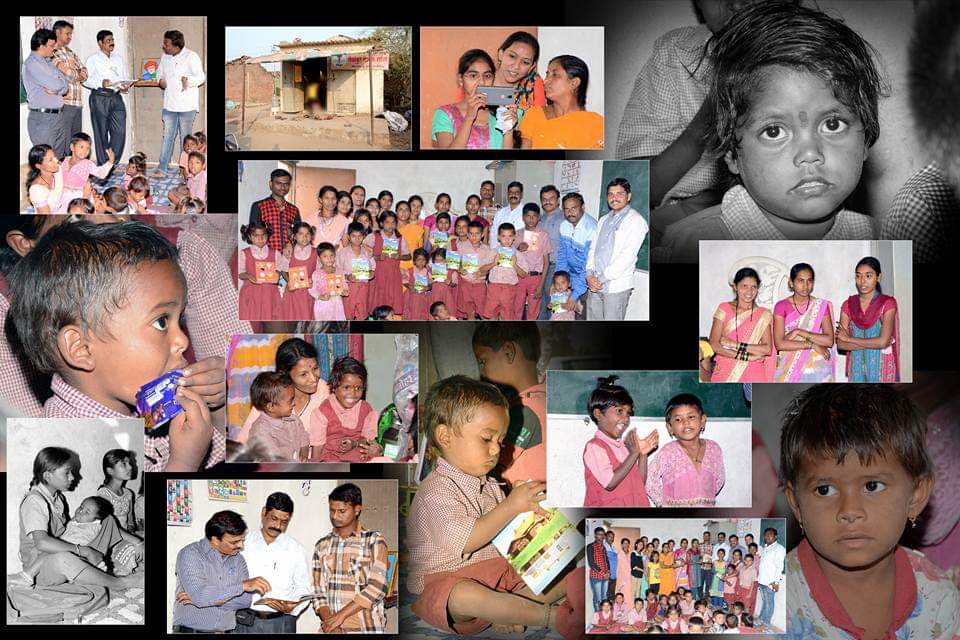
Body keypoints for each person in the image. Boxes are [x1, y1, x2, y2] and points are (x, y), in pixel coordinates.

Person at [654, 3, 880, 263]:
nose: (810, 154)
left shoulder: (879, 242)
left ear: (866, 139)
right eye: (773, 131)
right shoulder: (692, 248)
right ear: (731, 154)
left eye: (832, 124)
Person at [6, 221, 221, 473]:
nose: (183, 340)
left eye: (179, 319)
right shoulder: (64, 450)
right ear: (81, 349)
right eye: (162, 321)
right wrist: (183, 463)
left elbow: (225, 449)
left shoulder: (152, 405)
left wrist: (216, 405)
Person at [407, 376, 582, 638]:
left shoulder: (490, 484)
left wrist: (530, 510)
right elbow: (467, 540)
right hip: (447, 579)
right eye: (486, 439)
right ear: (444, 436)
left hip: (499, 576)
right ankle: (549, 616)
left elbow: (507, 535)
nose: (496, 450)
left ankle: (510, 609)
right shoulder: (435, 491)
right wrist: (511, 506)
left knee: (557, 569)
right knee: (463, 596)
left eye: (500, 441)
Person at [782, 385, 960, 637]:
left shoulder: (939, 597)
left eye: (872, 486)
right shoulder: (770, 600)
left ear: (917, 494)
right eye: (824, 490)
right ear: (796, 503)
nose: (850, 511)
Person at [17, 447, 142, 591]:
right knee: (63, 558)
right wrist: (83, 550)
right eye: (66, 473)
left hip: (68, 549)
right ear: (48, 476)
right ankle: (120, 583)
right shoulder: (34, 500)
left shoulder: (58, 498)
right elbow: (42, 543)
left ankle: (89, 572)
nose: (72, 477)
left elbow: (71, 532)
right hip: (40, 565)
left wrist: (137, 541)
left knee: (106, 519)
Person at [172, 511, 272, 633]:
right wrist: (242, 586)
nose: (241, 546)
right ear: (215, 540)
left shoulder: (238, 560)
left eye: (242, 540)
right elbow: (200, 596)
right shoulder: (190, 554)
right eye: (234, 542)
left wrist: (208, 599)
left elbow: (244, 601)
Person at [472, 323, 546, 487]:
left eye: (483, 361)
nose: (482, 372)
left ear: (508, 352)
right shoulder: (542, 399)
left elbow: (489, 465)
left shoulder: (523, 412)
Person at [311, 483, 389, 633]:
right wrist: (332, 625)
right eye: (332, 510)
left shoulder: (373, 541)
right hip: (331, 629)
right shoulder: (321, 545)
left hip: (366, 627)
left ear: (357, 509)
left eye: (341, 511)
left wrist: (340, 616)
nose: (335, 516)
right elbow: (318, 592)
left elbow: (377, 588)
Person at [236, 493, 312, 634]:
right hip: (245, 621)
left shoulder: (296, 549)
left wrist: (292, 606)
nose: (278, 526)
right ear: (264, 513)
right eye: (274, 518)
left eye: (284, 522)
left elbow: (304, 589)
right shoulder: (242, 544)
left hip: (282, 622)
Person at [235, 337, 330, 444]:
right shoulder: (271, 394)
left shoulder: (326, 392)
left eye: (315, 368)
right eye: (303, 374)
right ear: (286, 374)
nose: (314, 379)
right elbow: (243, 442)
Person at [583, 376, 658, 507]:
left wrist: (643, 455)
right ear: (598, 413)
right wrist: (634, 453)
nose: (625, 419)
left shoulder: (623, 446)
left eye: (628, 413)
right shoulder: (594, 447)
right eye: (619, 411)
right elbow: (609, 483)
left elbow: (638, 482)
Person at [646, 393, 725, 507]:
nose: (685, 422)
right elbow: (650, 482)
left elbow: (719, 480)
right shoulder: (668, 452)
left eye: (691, 417)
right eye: (678, 419)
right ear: (670, 427)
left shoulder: (714, 449)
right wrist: (664, 505)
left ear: (702, 420)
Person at [585, 178, 648, 320]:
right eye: (610, 194)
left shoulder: (636, 221)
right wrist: (589, 275)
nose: (614, 198)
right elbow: (593, 249)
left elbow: (627, 256)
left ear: (629, 196)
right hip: (594, 284)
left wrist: (600, 279)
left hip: (615, 287)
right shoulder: (603, 220)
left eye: (619, 193)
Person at [432, 49, 514, 150]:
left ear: (493, 78)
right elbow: (449, 163)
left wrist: (508, 130)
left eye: (487, 76)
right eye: (473, 76)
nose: (482, 82)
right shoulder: (445, 114)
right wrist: (469, 118)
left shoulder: (501, 114)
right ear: (460, 80)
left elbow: (505, 162)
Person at [837, 256, 901, 382]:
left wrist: (850, 339)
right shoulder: (848, 305)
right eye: (858, 276)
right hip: (856, 369)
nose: (862, 281)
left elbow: (882, 342)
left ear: (878, 277)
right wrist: (874, 343)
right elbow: (840, 344)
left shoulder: (887, 303)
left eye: (868, 276)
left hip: (882, 369)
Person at [519, 55, 603, 149]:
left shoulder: (596, 124)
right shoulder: (534, 114)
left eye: (555, 75)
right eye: (547, 74)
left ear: (574, 83)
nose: (546, 81)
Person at [309, 356, 381, 462]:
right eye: (346, 388)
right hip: (332, 462)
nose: (353, 393)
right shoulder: (323, 411)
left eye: (358, 388)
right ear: (334, 387)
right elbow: (318, 447)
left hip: (358, 458)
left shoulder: (366, 410)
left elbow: (368, 441)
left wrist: (354, 443)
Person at [154, 30, 206, 178]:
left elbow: (201, 77)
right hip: (169, 105)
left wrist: (188, 80)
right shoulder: (165, 57)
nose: (164, 46)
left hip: (187, 106)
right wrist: (160, 81)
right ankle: (162, 168)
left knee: (187, 141)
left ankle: (186, 171)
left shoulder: (191, 56)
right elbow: (159, 74)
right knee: (168, 137)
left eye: (167, 44)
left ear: (176, 45)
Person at [708, 267, 773, 382]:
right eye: (744, 286)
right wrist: (747, 356)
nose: (749, 291)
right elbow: (714, 344)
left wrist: (734, 344)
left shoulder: (763, 314)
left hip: (754, 370)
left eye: (754, 287)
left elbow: (767, 349)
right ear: (735, 287)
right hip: (726, 368)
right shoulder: (724, 308)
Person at [773, 262, 835, 382]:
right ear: (791, 283)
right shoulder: (781, 306)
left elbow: (829, 340)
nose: (805, 286)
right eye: (801, 281)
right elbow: (780, 344)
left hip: (816, 368)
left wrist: (798, 331)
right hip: (789, 366)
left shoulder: (821, 306)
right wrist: (812, 345)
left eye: (809, 281)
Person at [84, 30, 132, 165]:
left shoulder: (118, 58)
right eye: (108, 40)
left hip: (116, 97)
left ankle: (112, 162)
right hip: (100, 97)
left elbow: (122, 77)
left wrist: (125, 85)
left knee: (119, 132)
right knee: (101, 133)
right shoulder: (93, 59)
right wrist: (101, 83)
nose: (112, 43)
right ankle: (103, 165)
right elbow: (85, 80)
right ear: (100, 43)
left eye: (112, 40)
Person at [23, 29, 68, 159]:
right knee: (45, 161)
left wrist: (57, 87)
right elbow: (57, 85)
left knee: (58, 159)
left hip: (58, 116)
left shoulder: (48, 63)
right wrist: (57, 85)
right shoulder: (32, 63)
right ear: (41, 46)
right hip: (43, 119)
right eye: (51, 46)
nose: (53, 49)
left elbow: (64, 87)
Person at [246, 371, 309, 462]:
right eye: (290, 401)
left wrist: (304, 456)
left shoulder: (294, 420)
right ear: (271, 406)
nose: (294, 403)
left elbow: (304, 438)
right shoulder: (260, 432)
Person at [557, 192, 598, 320]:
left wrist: (574, 295)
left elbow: (587, 265)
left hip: (585, 280)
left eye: (574, 208)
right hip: (570, 279)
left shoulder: (591, 228)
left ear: (583, 207)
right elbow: (562, 256)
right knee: (563, 314)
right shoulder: (564, 226)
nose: (570, 213)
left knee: (581, 316)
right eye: (566, 209)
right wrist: (558, 280)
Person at [238, 221, 284, 321]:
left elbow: (280, 273)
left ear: (268, 236)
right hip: (251, 295)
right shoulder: (244, 253)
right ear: (250, 237)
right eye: (256, 236)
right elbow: (240, 273)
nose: (260, 239)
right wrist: (249, 277)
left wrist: (278, 276)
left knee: (271, 320)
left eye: (263, 235)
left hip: (270, 295)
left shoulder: (275, 253)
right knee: (251, 323)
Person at [51, 21, 88, 144]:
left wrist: (75, 73)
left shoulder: (70, 52)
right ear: (57, 32)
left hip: (77, 103)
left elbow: (84, 71)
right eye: (67, 33)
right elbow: (66, 74)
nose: (70, 37)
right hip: (64, 103)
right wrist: (76, 74)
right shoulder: (51, 52)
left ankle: (75, 164)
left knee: (76, 141)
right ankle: (64, 163)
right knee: (65, 140)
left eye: (71, 34)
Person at [366, 211, 409, 314]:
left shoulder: (400, 238)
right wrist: (377, 257)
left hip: (393, 275)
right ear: (381, 223)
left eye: (393, 222)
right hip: (377, 274)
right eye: (387, 222)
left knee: (391, 300)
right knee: (376, 299)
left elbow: (408, 256)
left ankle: (389, 324)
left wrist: (400, 256)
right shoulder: (374, 236)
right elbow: (364, 253)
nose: (390, 225)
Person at [248, 169, 301, 252]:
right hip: (266, 258)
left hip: (288, 257)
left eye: (286, 184)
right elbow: (253, 234)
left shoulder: (294, 209)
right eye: (278, 183)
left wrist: (291, 243)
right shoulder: (259, 206)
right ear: (271, 184)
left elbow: (299, 234)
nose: (283, 187)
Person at [514, 203, 551, 319]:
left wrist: (541, 285)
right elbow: (508, 256)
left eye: (534, 216)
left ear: (539, 217)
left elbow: (546, 263)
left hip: (536, 278)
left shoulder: (543, 235)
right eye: (528, 216)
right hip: (519, 277)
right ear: (523, 217)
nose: (531, 219)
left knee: (533, 310)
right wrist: (517, 249)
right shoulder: (517, 234)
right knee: (516, 307)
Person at [483, 223, 526, 320]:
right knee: (491, 315)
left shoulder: (517, 254)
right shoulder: (493, 252)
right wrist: (494, 263)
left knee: (507, 316)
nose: (507, 239)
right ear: (498, 237)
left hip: (509, 289)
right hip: (494, 288)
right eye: (503, 236)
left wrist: (514, 265)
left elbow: (523, 274)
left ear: (514, 237)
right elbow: (482, 268)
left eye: (510, 236)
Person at [456, 220, 496, 319]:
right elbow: (455, 262)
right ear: (468, 235)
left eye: (477, 233)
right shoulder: (461, 246)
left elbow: (489, 267)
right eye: (471, 234)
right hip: (466, 284)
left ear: (482, 234)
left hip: (480, 284)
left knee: (483, 312)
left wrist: (483, 272)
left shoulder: (487, 249)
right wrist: (460, 268)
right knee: (470, 312)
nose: (474, 237)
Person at [278, 222, 318, 320]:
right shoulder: (289, 252)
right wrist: (289, 281)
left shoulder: (316, 252)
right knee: (291, 316)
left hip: (308, 293)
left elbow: (319, 272)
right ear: (294, 236)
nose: (304, 237)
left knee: (307, 317)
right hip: (292, 292)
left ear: (311, 236)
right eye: (301, 234)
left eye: (307, 234)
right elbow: (283, 271)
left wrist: (313, 280)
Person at [338, 222, 377, 320]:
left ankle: (359, 335)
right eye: (354, 236)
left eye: (360, 236)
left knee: (362, 314)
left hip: (363, 288)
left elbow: (372, 267)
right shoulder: (342, 253)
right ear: (348, 237)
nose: (357, 238)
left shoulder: (367, 252)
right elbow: (337, 271)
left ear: (363, 236)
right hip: (349, 288)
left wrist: (371, 273)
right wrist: (347, 277)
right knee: (348, 314)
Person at [26, 144, 80, 213]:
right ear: (39, 166)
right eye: (50, 160)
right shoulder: (37, 190)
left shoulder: (58, 169)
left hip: (63, 206)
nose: (56, 160)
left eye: (55, 156)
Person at [537, 185, 564, 319]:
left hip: (555, 266)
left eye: (551, 198)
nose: (547, 202)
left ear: (558, 200)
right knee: (541, 302)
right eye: (544, 199)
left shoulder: (564, 219)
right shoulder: (539, 219)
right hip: (540, 267)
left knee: (554, 303)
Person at [96, 449, 139, 534]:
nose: (130, 467)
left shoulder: (128, 493)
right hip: (112, 537)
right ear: (110, 471)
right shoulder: (104, 494)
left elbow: (130, 521)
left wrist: (131, 532)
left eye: (129, 463)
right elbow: (107, 527)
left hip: (128, 537)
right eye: (124, 464)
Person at [310, 242, 347, 321]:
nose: (329, 258)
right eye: (325, 256)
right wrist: (321, 296)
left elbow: (344, 284)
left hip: (337, 304)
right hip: (323, 305)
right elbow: (312, 290)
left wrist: (345, 291)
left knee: (337, 327)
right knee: (323, 328)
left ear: (335, 256)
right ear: (319, 258)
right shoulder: (316, 273)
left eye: (331, 255)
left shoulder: (339, 271)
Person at [491, 181, 524, 250]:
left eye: (516, 192)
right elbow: (494, 234)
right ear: (507, 194)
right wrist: (494, 252)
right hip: (499, 254)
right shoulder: (500, 213)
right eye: (511, 192)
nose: (513, 195)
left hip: (519, 255)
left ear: (521, 195)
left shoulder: (526, 213)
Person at [403, 248, 434, 321]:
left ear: (426, 261)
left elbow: (432, 283)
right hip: (411, 296)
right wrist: (410, 286)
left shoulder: (428, 272)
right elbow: (405, 281)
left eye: (423, 260)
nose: (421, 262)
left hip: (424, 297)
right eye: (418, 259)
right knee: (410, 313)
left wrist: (428, 287)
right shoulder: (409, 270)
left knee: (422, 313)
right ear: (414, 261)